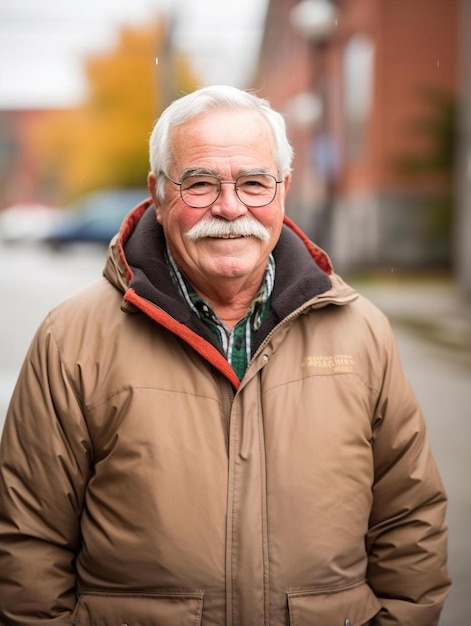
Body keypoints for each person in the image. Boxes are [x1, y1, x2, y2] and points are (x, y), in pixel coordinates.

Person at [0, 85, 450, 626]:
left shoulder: (361, 332)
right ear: (159, 193)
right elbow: (27, 542)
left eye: (254, 183)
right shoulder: (71, 338)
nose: (231, 207)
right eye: (201, 183)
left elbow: (410, 520)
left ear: (283, 191)